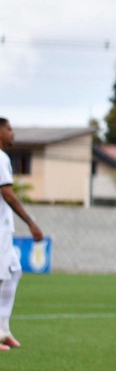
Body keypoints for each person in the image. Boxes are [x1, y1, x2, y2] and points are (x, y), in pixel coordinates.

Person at [0, 118, 44, 350]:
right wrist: (31, 222)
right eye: (9, 129)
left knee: (14, 271)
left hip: (4, 231)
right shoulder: (0, 157)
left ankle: (3, 329)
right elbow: (8, 194)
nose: (13, 134)